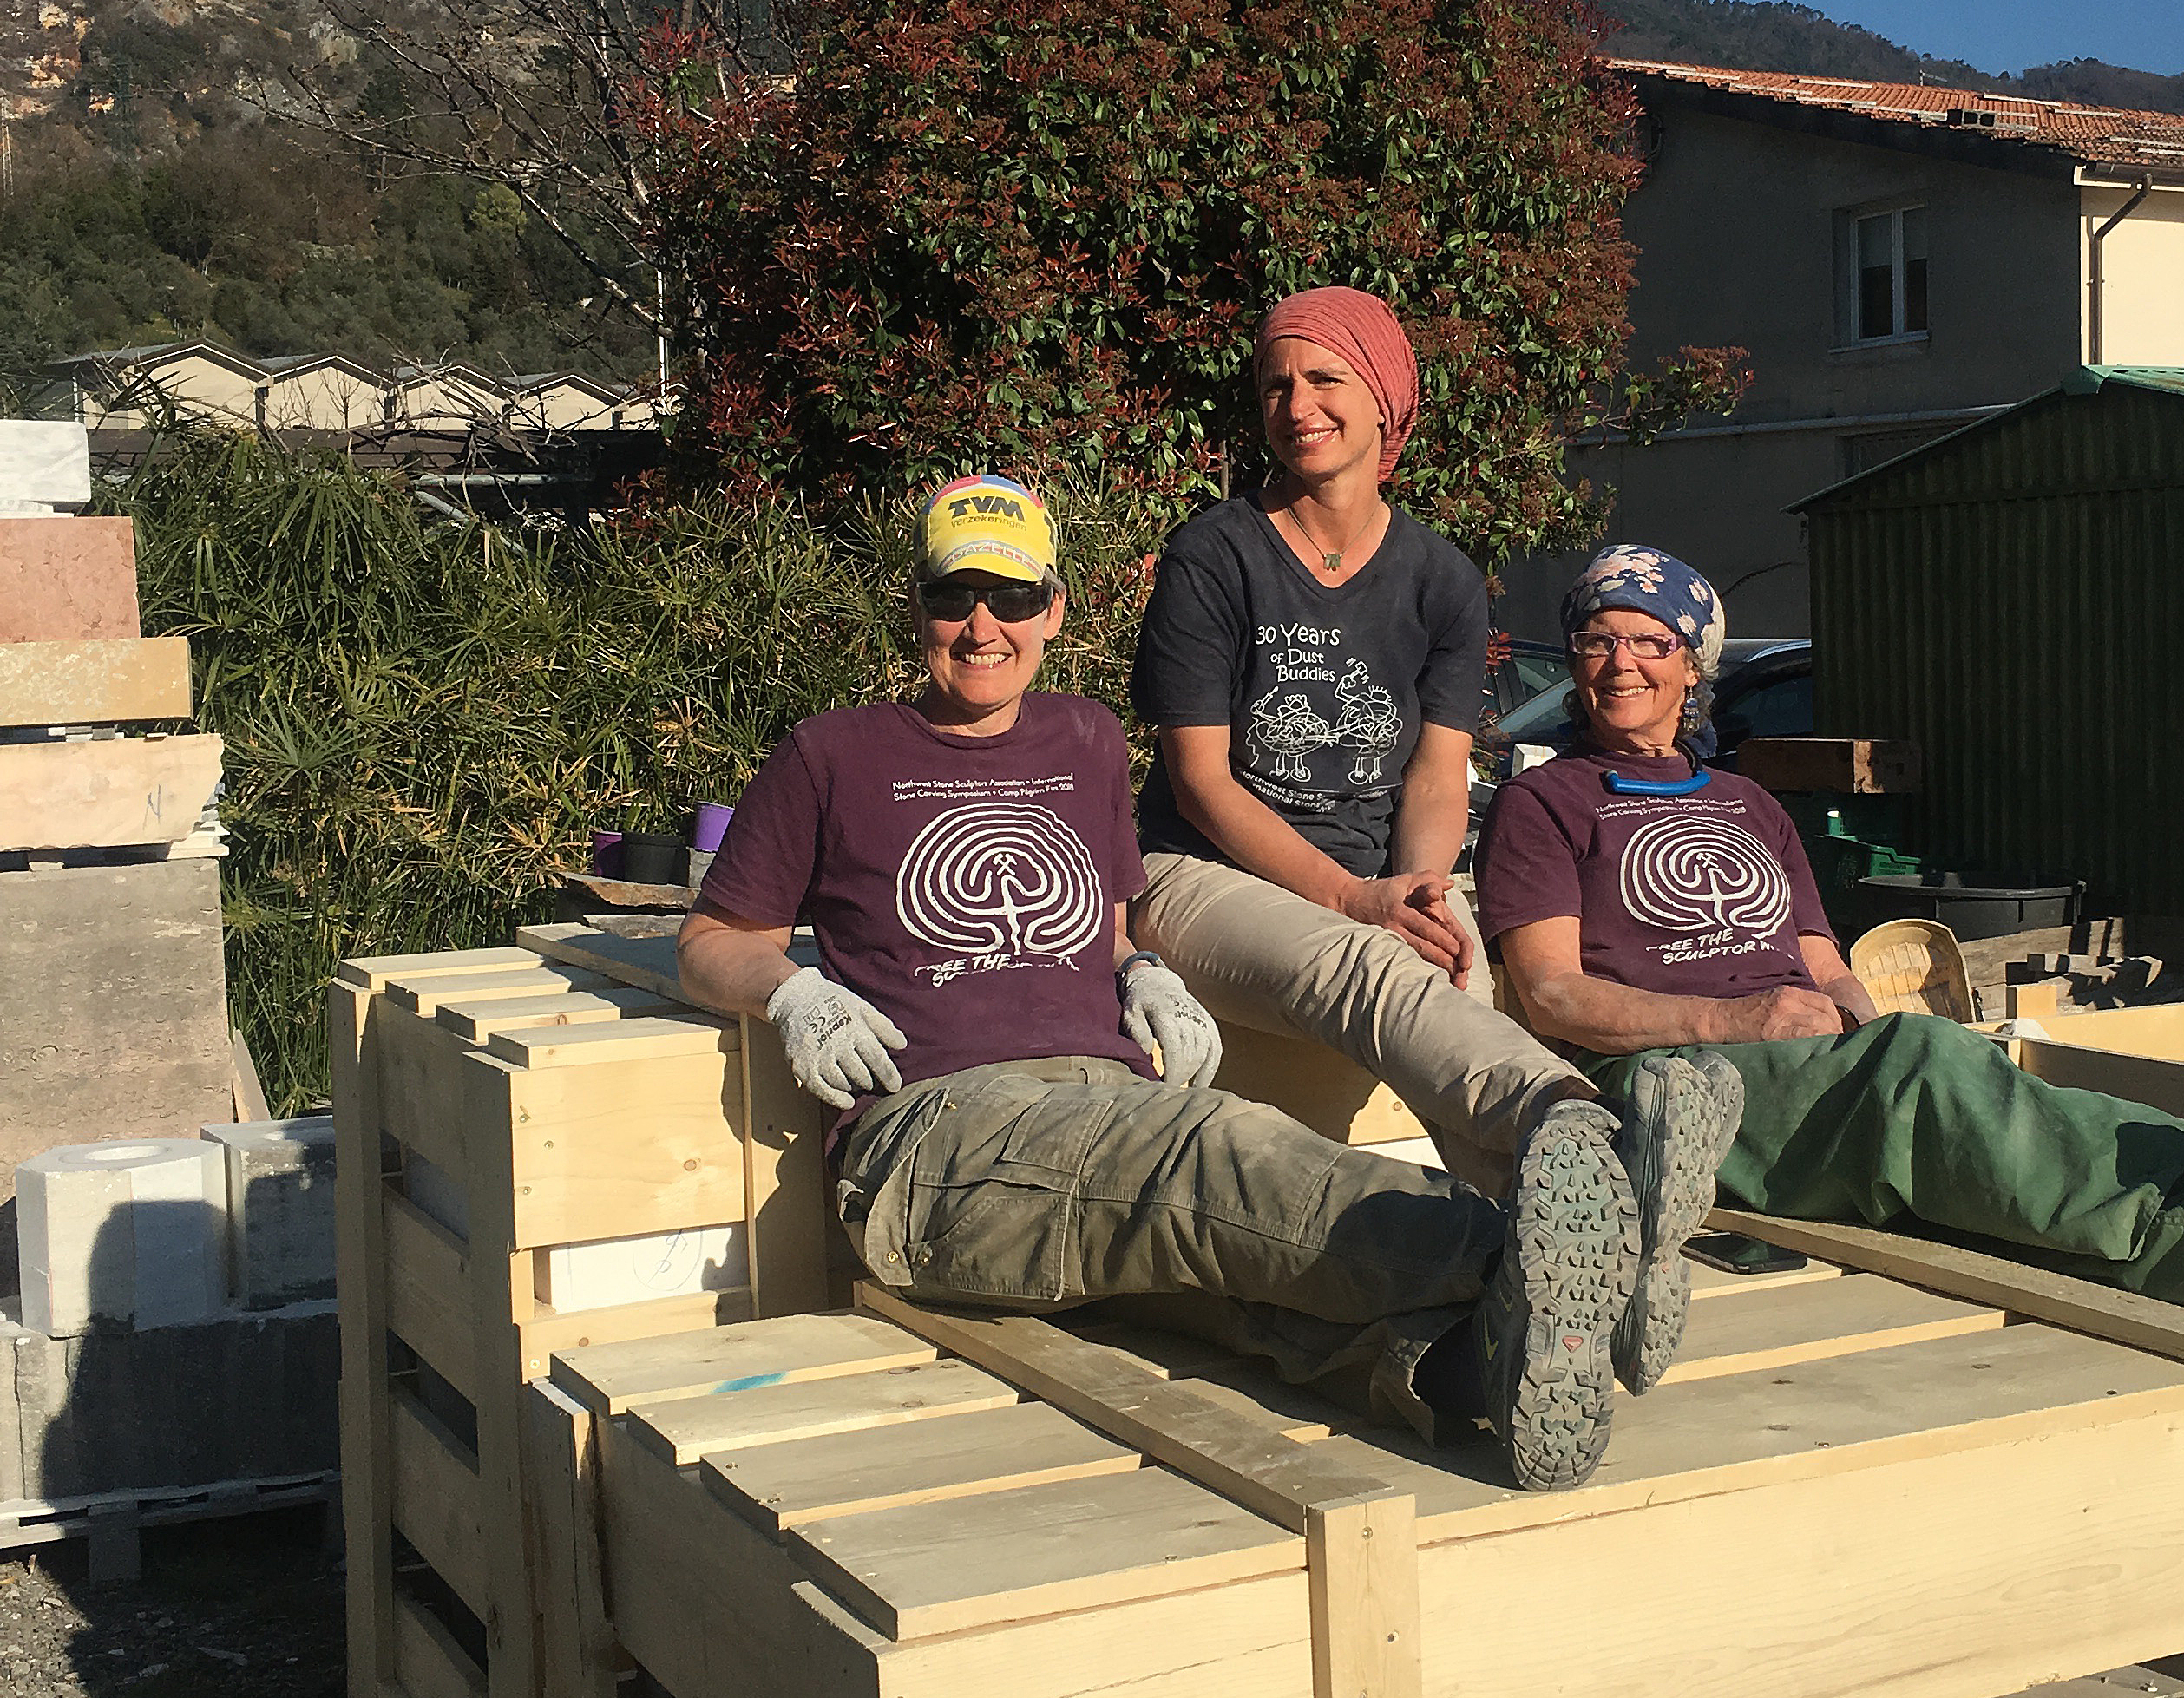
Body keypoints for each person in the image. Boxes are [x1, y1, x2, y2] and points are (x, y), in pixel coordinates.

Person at [673, 476, 1729, 1493]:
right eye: (953, 596)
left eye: (1012, 596)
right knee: (1213, 1151)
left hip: (1106, 1095)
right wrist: (791, 994)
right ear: (917, 607)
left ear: (1054, 611)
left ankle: (1484, 1367)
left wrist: (1139, 969)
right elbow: (711, 939)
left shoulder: (1083, 739)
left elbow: (1111, 915)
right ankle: (1562, 1260)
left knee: (1242, 1292)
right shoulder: (833, 753)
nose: (981, 625)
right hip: (937, 1139)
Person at [1474, 544, 2184, 1319]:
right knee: (1920, 1071)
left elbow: (1823, 964)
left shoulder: (1747, 802)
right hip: (1664, 1093)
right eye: (1598, 640)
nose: (1621, 662)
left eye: (1651, 641)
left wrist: (1856, 1027)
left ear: (1693, 666)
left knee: (1951, 1064)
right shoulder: (1545, 802)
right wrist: (1740, 1025)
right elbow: (1556, 998)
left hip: (1802, 1065)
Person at [1128, 285, 1599, 1197]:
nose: (1297, 407)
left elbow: (1434, 776)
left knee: (1455, 961)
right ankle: (1572, 1132)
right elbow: (1198, 784)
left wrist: (1419, 890)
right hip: (1198, 877)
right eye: (1275, 386)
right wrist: (1354, 899)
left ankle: (1540, 1242)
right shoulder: (1215, 557)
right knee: (1366, 960)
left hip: (1373, 881)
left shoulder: (1442, 579)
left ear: (1384, 396)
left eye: (1324, 378)